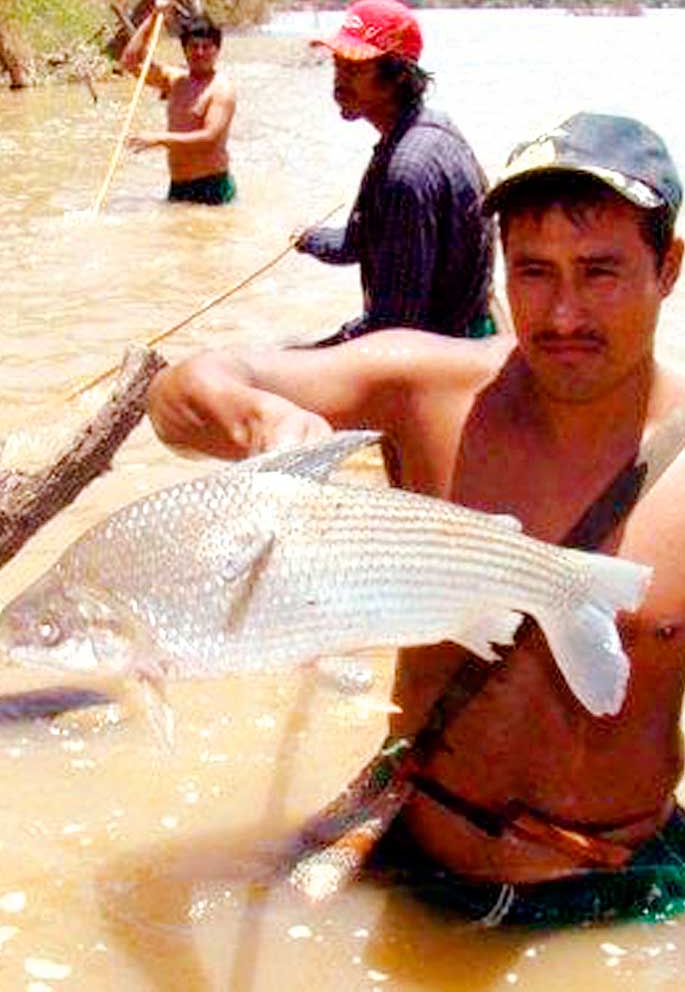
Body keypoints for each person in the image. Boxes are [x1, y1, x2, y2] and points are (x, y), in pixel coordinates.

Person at [147, 111, 685, 927]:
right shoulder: (422, 387)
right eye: (533, 271)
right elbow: (182, 391)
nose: (564, 314)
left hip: (611, 893)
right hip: (407, 856)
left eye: (600, 271)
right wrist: (262, 425)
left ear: (668, 267)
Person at [291, 0, 495, 345]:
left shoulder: (406, 171)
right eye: (337, 65)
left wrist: (309, 352)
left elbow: (394, 330)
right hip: (461, 332)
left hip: (444, 354)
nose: (339, 82)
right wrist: (310, 239)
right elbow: (360, 242)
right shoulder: (426, 128)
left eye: (354, 70)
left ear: (397, 76)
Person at [120, 0, 237, 205]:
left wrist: (159, 139)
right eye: (194, 46)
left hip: (212, 186)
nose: (199, 53)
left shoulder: (221, 90)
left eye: (206, 47)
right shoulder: (174, 81)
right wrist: (156, 17)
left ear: (217, 50)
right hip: (178, 185)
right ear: (185, 50)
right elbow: (130, 61)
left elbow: (209, 138)